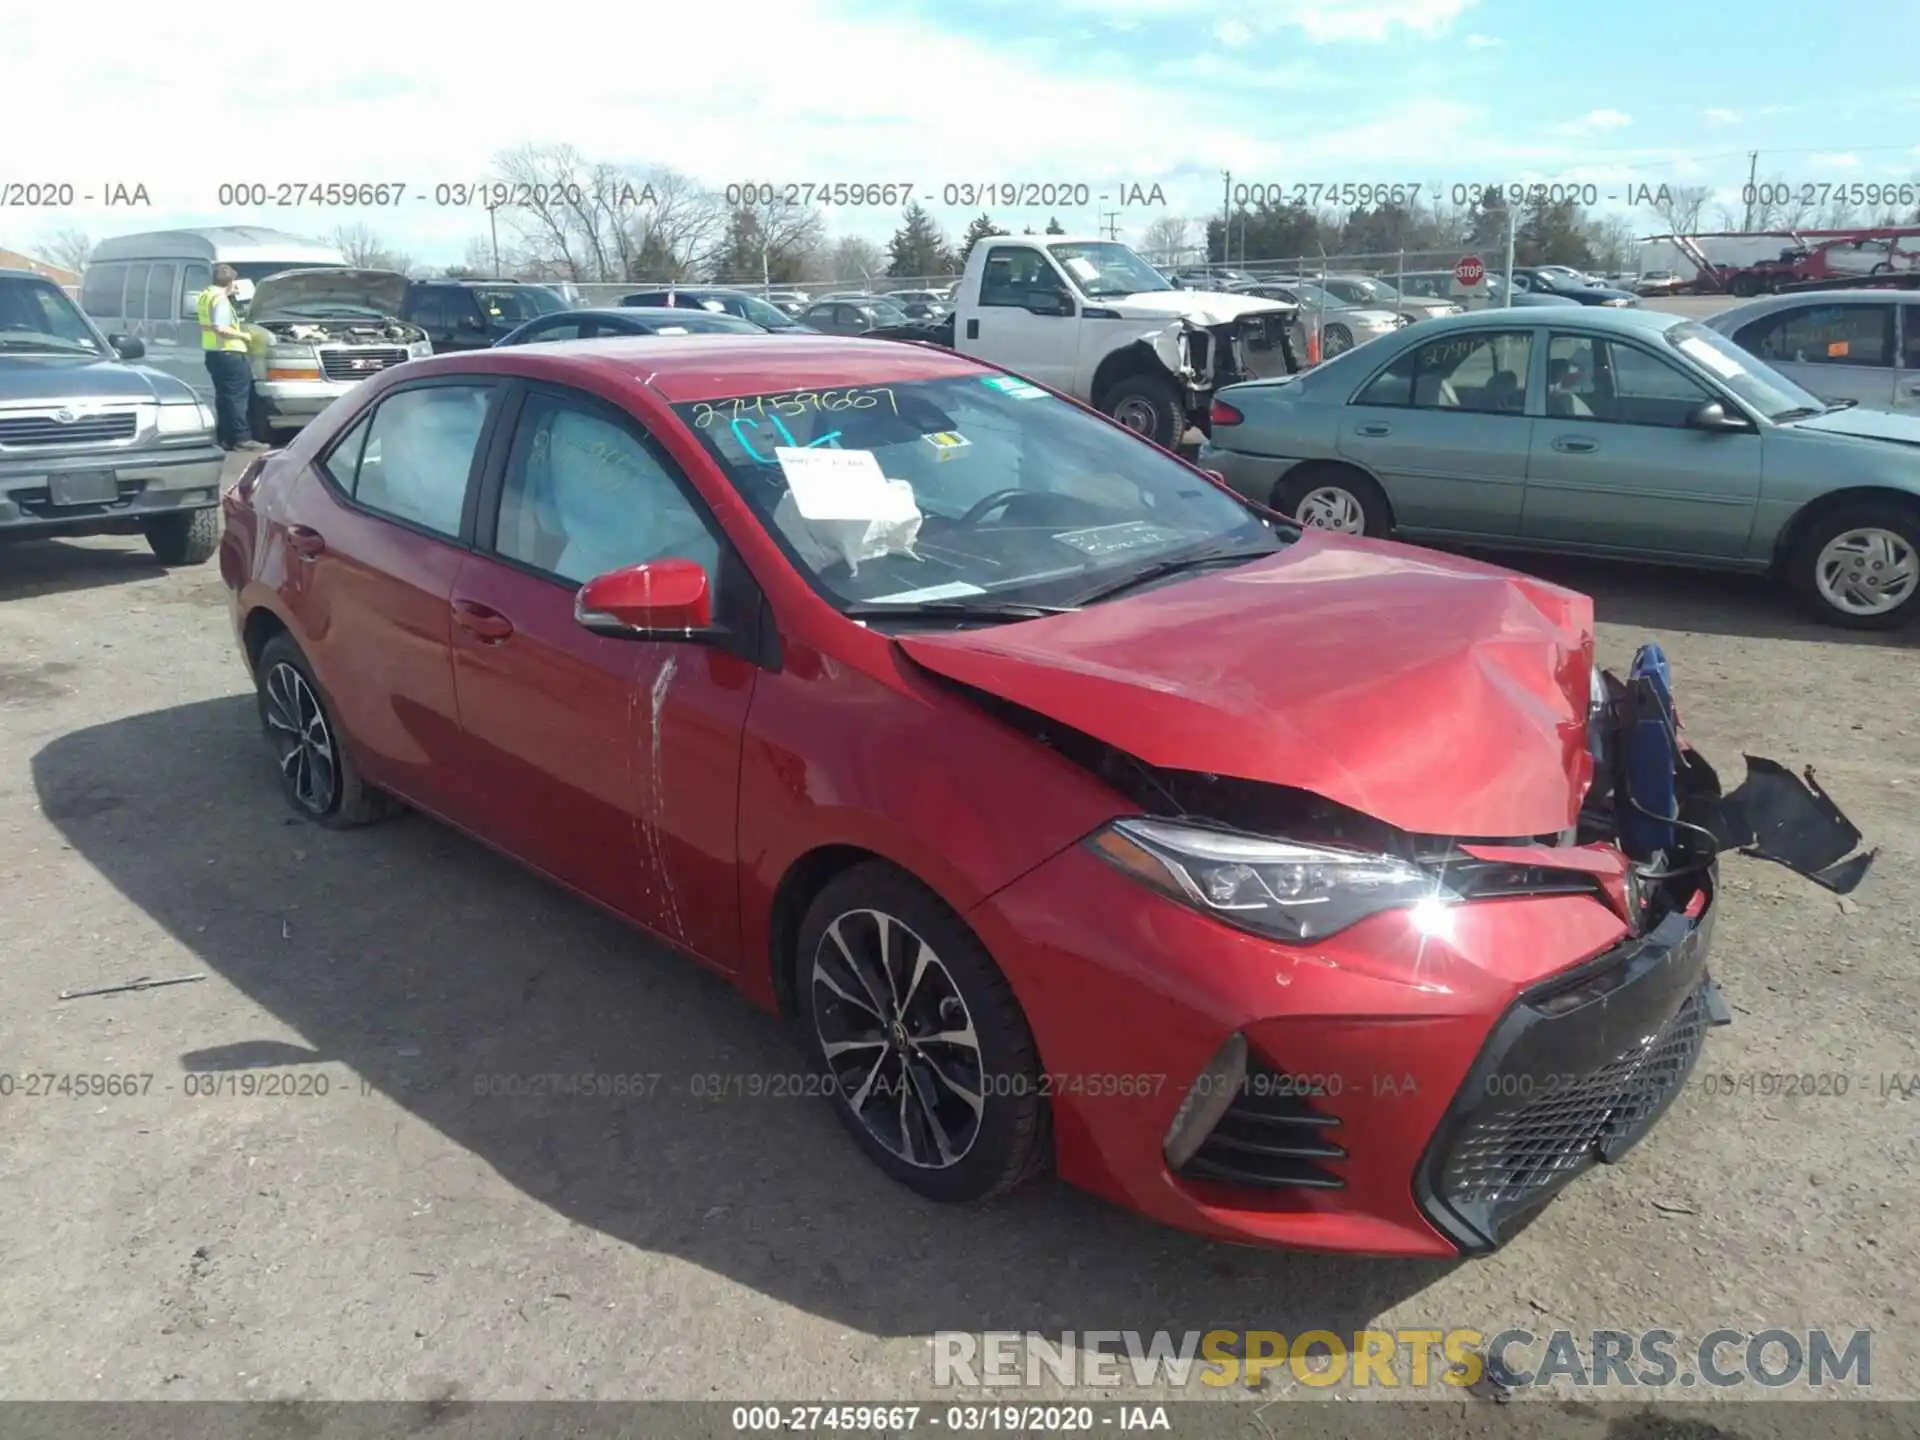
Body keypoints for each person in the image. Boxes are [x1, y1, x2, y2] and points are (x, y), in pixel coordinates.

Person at [195, 264, 264, 451]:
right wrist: (245, 336)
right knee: (237, 398)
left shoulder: (206, 295)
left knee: (224, 397)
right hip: (230, 352)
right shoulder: (220, 299)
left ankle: (227, 438)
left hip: (214, 353)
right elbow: (221, 327)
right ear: (232, 281)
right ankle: (242, 439)